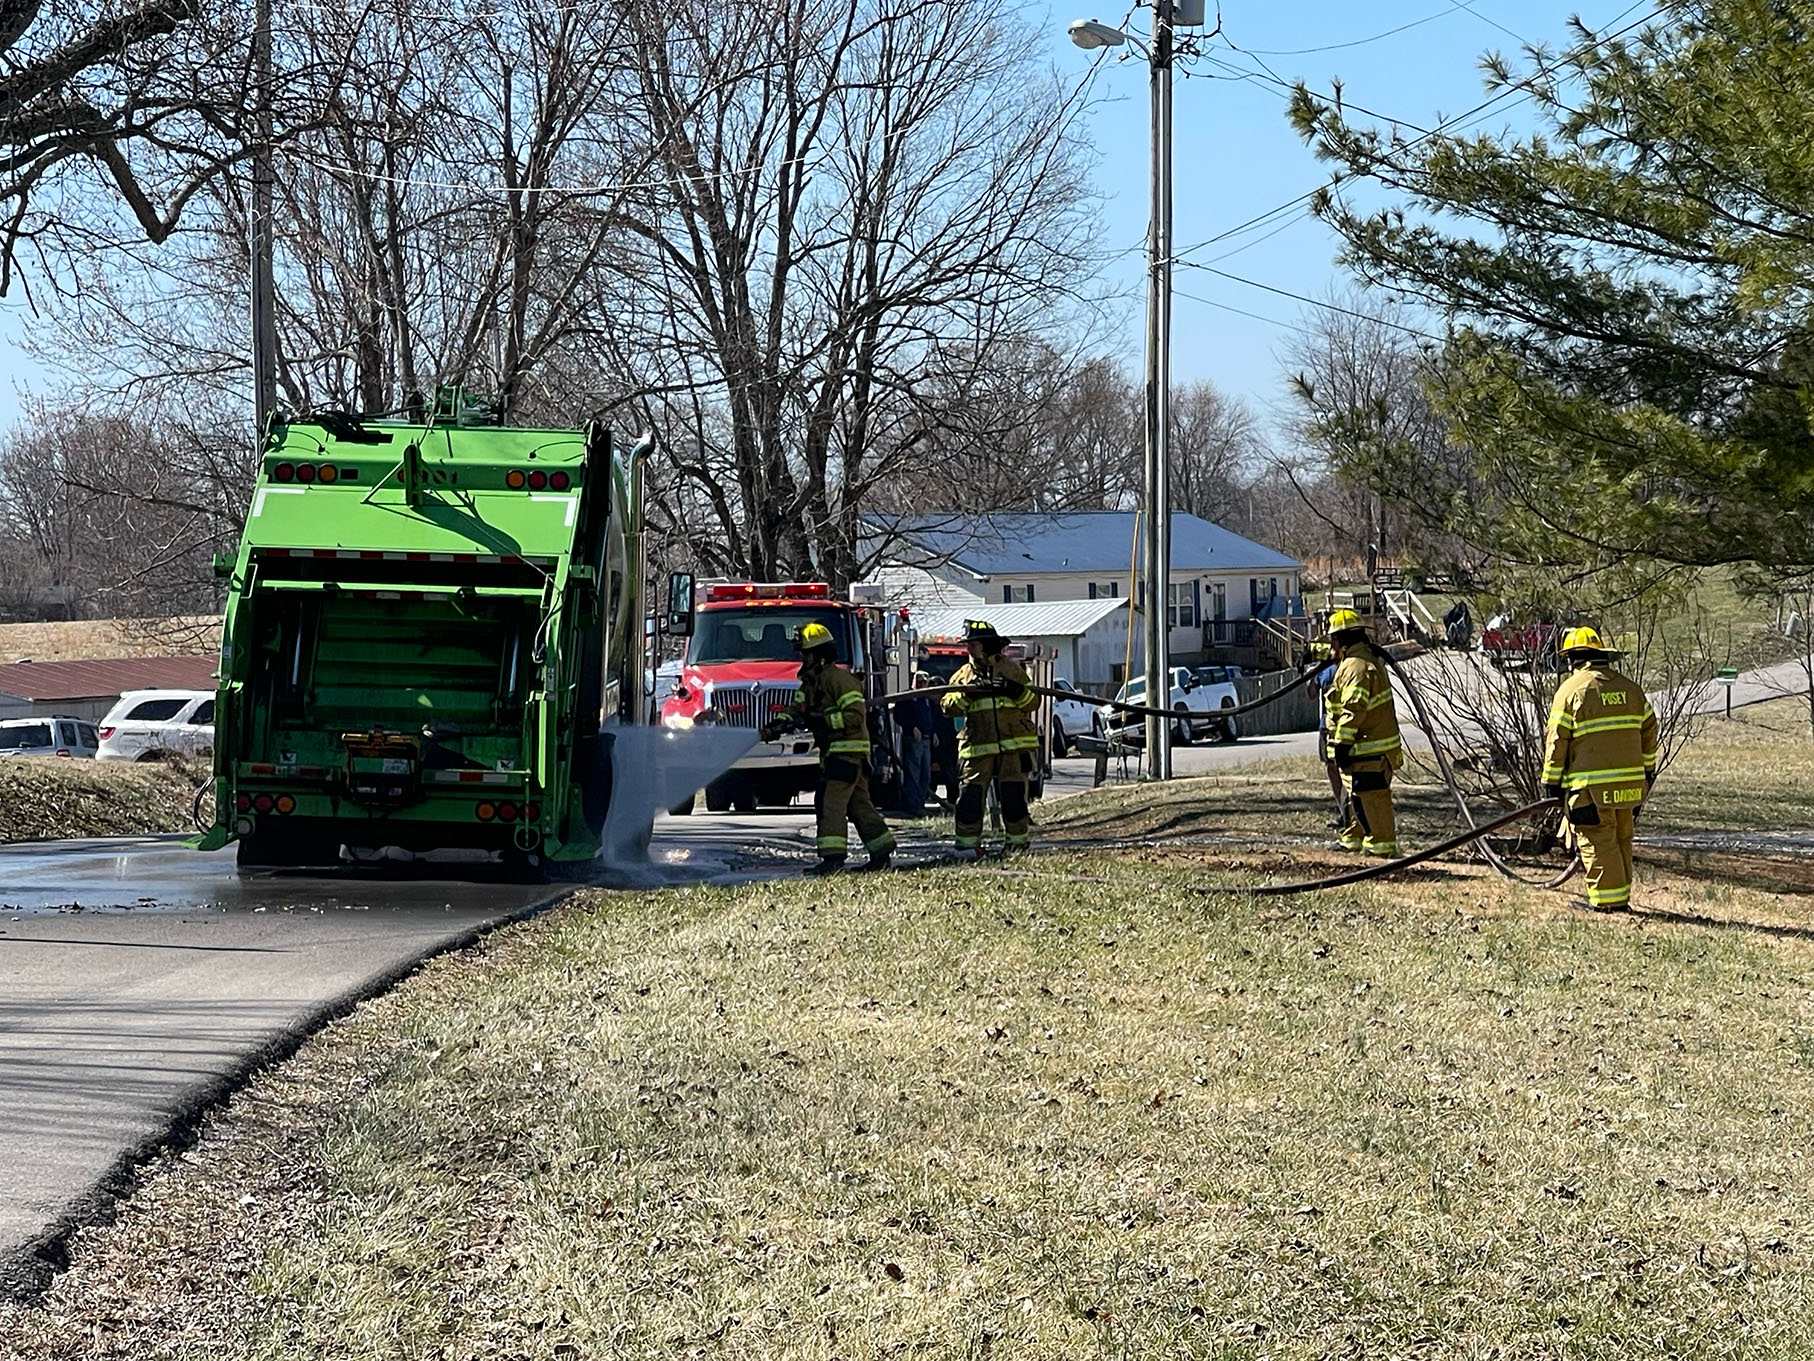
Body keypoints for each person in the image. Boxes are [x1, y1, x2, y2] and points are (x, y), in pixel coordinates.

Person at [760, 622, 895, 875]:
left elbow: (855, 716)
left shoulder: (839, 679)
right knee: (859, 806)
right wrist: (778, 725)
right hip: (836, 753)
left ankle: (832, 859)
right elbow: (796, 711)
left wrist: (820, 720)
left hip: (848, 753)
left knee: (829, 803)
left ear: (820, 655)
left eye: (806, 653)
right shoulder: (812, 683)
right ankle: (882, 852)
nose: (802, 657)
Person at [1541, 626, 1658, 912]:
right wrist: (1646, 772)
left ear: (1572, 659)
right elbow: (1649, 730)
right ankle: (1619, 897)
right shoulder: (1631, 690)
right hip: (1631, 787)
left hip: (1590, 788)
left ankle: (1608, 904)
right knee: (1621, 840)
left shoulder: (1571, 690)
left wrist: (1551, 781)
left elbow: (1558, 739)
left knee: (1598, 840)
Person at [941, 619, 1039, 857]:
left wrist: (1014, 690)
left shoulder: (1012, 670)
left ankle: (1016, 845)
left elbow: (1033, 702)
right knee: (970, 799)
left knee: (1014, 797)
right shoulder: (963, 676)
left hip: (1013, 746)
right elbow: (947, 706)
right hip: (977, 747)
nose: (969, 649)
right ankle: (967, 846)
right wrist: (969, 694)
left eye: (973, 644)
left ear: (986, 644)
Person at [1324, 608, 1402, 857]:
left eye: (1331, 640)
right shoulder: (1359, 659)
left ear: (1339, 640)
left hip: (1370, 749)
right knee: (1355, 795)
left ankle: (1381, 845)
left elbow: (1353, 708)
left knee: (1370, 796)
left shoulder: (1356, 668)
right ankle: (1354, 838)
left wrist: (1342, 743)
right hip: (1365, 748)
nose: (1329, 646)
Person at [892, 673, 936, 816]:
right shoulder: (906, 697)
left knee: (925, 774)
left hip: (926, 739)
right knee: (913, 773)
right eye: (919, 682)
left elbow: (930, 716)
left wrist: (934, 732)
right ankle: (913, 806)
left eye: (924, 682)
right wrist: (911, 727)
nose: (922, 685)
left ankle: (920, 803)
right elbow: (898, 716)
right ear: (914, 681)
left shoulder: (926, 698)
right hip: (913, 740)